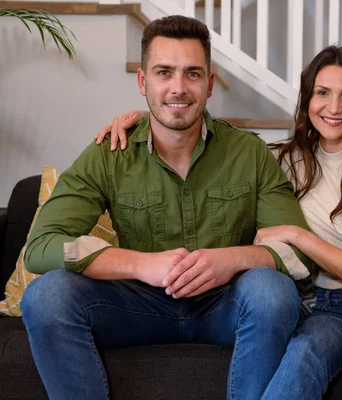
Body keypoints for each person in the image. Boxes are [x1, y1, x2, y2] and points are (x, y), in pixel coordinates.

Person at [98, 46, 342, 399]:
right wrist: (145, 121)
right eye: (322, 93)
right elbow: (208, 140)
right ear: (307, 99)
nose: (334, 107)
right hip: (331, 309)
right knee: (300, 358)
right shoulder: (284, 160)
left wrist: (300, 236)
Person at [20, 15, 315, 400]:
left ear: (209, 85)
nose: (178, 88)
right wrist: (143, 265)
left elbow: (297, 256)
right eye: (164, 72)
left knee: (272, 291)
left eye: (192, 74)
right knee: (46, 297)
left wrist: (231, 259)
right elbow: (40, 246)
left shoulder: (249, 153)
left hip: (222, 308)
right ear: (143, 82)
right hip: (134, 307)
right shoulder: (109, 154)